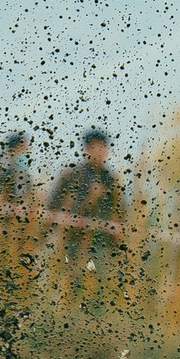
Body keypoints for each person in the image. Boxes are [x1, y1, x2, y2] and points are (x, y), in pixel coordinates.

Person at [47, 127, 126, 301]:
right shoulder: (72, 176)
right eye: (95, 147)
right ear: (87, 149)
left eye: (103, 148)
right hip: (73, 241)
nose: (99, 152)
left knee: (99, 287)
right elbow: (54, 209)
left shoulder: (111, 180)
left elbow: (120, 213)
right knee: (71, 284)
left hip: (102, 244)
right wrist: (88, 200)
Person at [0, 130, 39, 295]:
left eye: (26, 149)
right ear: (12, 151)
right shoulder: (4, 175)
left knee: (24, 270)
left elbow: (32, 201)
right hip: (6, 232)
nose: (25, 152)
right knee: (3, 269)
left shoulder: (27, 177)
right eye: (21, 148)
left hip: (24, 233)